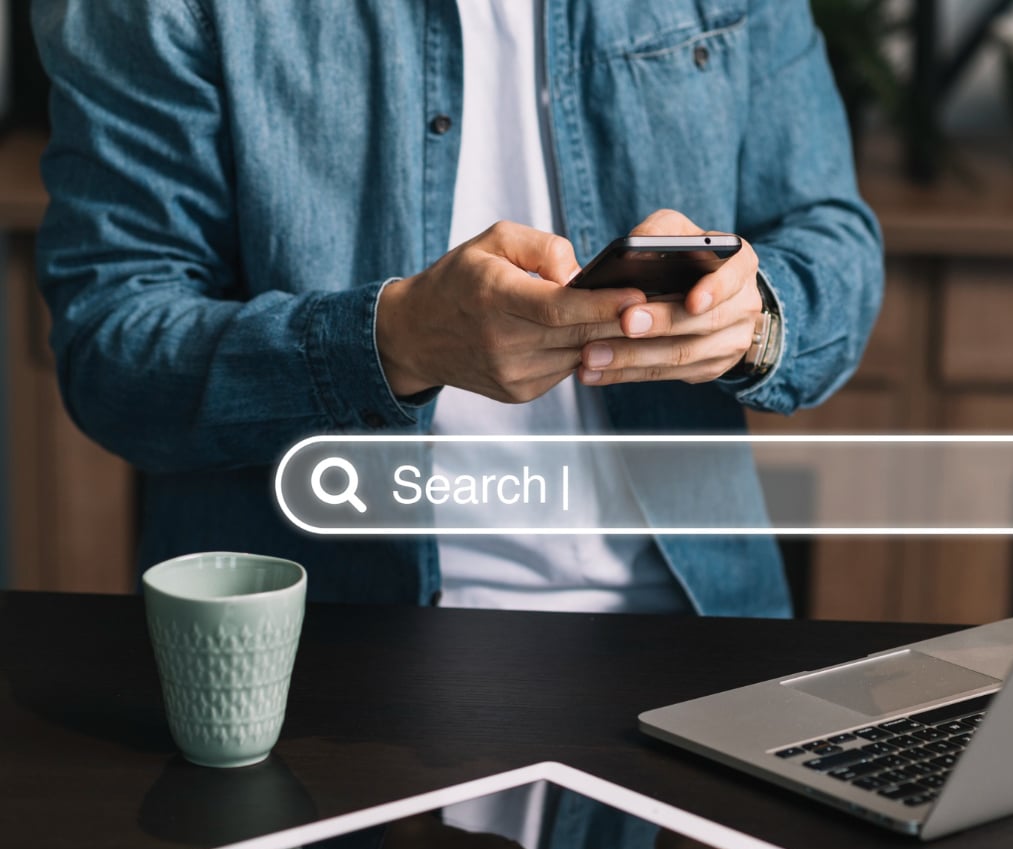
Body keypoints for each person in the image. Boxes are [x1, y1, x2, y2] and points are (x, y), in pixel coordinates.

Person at [32, 1, 883, 616]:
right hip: (331, 665)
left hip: (699, 635)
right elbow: (113, 349)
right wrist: (391, 342)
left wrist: (753, 316)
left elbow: (832, 237)